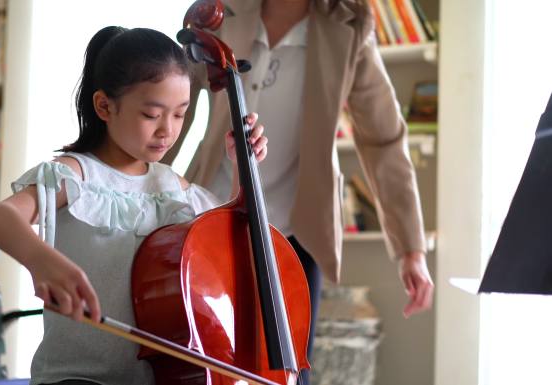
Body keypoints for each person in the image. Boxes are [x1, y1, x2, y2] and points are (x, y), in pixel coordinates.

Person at [163, 0, 434, 383]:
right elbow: (174, 108)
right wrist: (137, 187)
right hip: (209, 219)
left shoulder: (350, 26)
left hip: (296, 233)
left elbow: (383, 138)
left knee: (286, 371)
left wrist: (411, 250)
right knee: (200, 362)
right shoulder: (220, 11)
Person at [0, 26, 267, 385]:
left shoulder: (171, 186)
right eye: (151, 114)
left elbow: (230, 237)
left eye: (180, 114)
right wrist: (42, 262)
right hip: (75, 378)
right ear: (105, 106)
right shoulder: (76, 175)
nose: (168, 130)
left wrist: (244, 165)